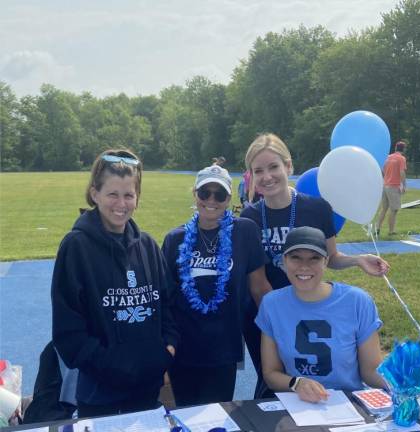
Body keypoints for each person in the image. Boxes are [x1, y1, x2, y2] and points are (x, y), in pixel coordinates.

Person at [240, 133, 389, 397]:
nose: (267, 176)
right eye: (258, 170)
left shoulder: (317, 208)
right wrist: (279, 319)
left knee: (321, 375)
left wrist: (356, 260)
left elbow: (330, 258)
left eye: (273, 167)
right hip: (270, 312)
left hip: (313, 306)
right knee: (275, 381)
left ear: (288, 166)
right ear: (251, 175)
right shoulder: (250, 216)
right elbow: (257, 282)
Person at [51, 149, 179, 418]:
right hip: (99, 395)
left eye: (128, 195)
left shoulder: (147, 246)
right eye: (112, 194)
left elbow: (168, 304)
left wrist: (167, 348)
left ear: (137, 198)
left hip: (147, 390)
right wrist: (116, 366)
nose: (121, 203)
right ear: (94, 193)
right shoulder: (76, 247)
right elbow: (68, 333)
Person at [162, 164, 271, 407]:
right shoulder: (175, 239)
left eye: (219, 194)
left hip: (223, 349)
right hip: (183, 349)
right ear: (195, 195)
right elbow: (165, 299)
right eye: (205, 193)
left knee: (215, 418)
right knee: (183, 416)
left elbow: (259, 288)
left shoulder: (244, 232)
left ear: (228, 198)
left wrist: (283, 327)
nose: (211, 200)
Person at [256, 226, 386, 402]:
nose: (304, 266)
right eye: (296, 258)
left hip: (348, 404)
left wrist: (408, 379)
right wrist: (297, 383)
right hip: (297, 404)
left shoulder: (357, 301)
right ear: (284, 261)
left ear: (325, 261)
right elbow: (271, 373)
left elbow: (370, 372)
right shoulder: (272, 304)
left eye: (314, 258)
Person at [376, 141, 407, 235]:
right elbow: (402, 172)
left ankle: (377, 229)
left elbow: (382, 170)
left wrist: (386, 179)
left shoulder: (388, 157)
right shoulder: (401, 158)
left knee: (384, 209)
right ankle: (391, 231)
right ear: (404, 149)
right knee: (394, 210)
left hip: (385, 186)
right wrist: (404, 185)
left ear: (395, 148)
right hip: (394, 186)